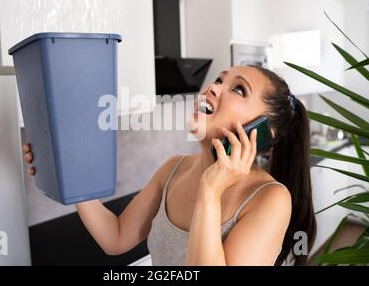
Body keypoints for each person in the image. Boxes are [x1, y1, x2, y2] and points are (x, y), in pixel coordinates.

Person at [23, 65, 316, 266]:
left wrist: (211, 191)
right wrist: (65, 166)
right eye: (218, 80)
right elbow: (116, 237)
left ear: (262, 130)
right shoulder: (174, 168)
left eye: (238, 90)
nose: (213, 89)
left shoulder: (270, 199)